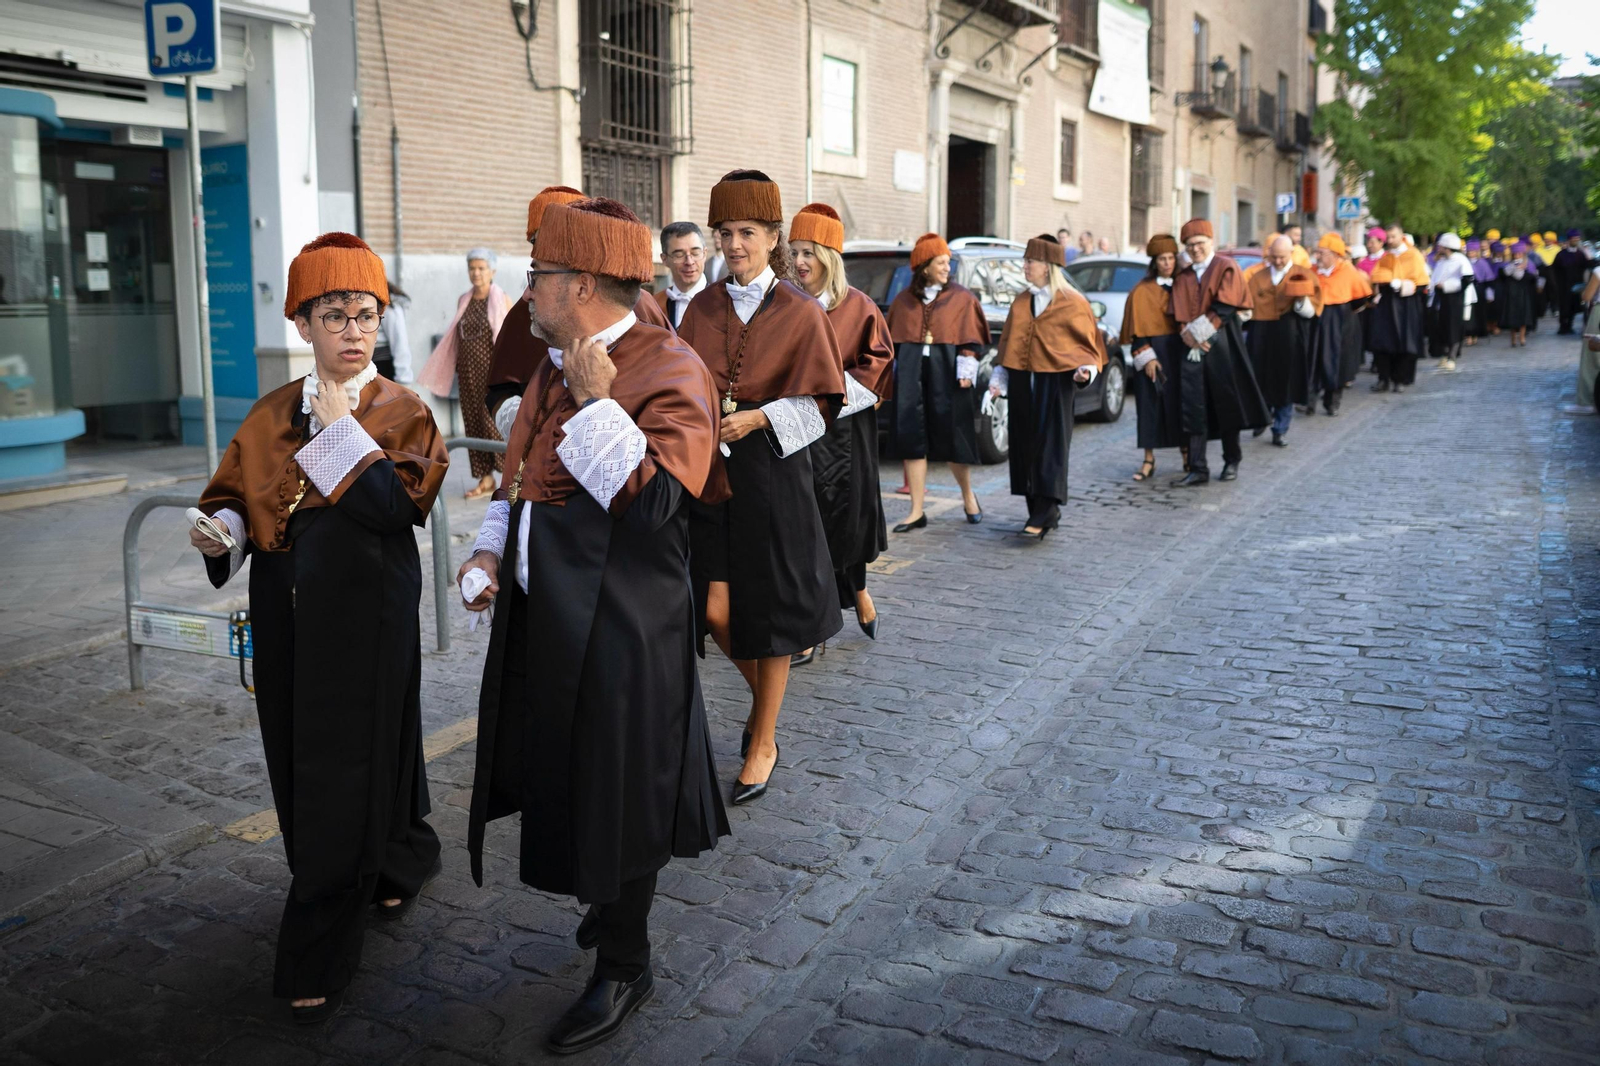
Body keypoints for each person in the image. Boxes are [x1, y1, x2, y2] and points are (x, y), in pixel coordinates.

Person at [459, 198, 727, 1054]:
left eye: (536, 276)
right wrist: (493, 553)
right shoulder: (549, 364)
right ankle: (603, 903)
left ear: (578, 285)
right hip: (551, 615)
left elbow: (653, 513)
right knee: (571, 777)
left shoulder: (671, 366)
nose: (524, 291)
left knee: (623, 788)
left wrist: (601, 405)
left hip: (623, 624)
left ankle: (625, 963)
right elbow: (519, 479)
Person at [193, 232, 448, 1024]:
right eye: (334, 315)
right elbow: (234, 498)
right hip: (283, 614)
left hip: (366, 611)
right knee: (316, 753)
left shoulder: (404, 411)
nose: (353, 330)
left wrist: (341, 430)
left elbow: (390, 510)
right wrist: (221, 531)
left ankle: (320, 938)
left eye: (366, 315)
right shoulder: (269, 412)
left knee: (344, 768)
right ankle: (404, 854)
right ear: (301, 324)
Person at [676, 170, 846, 805]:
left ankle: (764, 739)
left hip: (773, 476)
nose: (734, 244)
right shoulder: (701, 306)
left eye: (747, 232)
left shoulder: (802, 312)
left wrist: (759, 415)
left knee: (770, 616)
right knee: (715, 609)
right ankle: (762, 708)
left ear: (773, 236)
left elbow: (822, 402)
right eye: (725, 232)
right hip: (714, 476)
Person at [484, 186, 672, 445]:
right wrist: (532, 430)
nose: (544, 250)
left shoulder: (650, 319)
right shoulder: (527, 308)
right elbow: (501, 390)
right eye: (537, 241)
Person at [788, 203, 892, 661]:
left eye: (809, 252)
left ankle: (851, 596)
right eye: (794, 253)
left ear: (829, 256)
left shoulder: (859, 307)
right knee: (804, 528)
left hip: (845, 436)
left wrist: (829, 399)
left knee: (844, 524)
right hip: (795, 432)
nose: (800, 262)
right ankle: (822, 616)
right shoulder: (786, 304)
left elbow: (878, 363)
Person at [986, 234, 1105, 539]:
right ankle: (1040, 510)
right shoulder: (1023, 300)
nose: (1025, 266)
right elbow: (1010, 342)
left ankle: (1044, 512)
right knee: (1025, 444)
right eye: (1025, 261)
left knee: (1051, 446)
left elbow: (1089, 348)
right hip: (1025, 380)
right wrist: (1000, 378)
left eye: (1031, 261)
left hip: (1057, 381)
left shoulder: (1072, 302)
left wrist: (1085, 372)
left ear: (1048, 265)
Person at [884, 233, 990, 529]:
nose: (947, 268)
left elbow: (971, 337)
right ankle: (917, 510)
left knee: (953, 435)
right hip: (912, 369)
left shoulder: (961, 298)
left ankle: (968, 495)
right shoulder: (904, 300)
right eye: (941, 262)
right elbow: (892, 343)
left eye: (948, 262)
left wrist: (968, 364)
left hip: (949, 369)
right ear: (924, 265)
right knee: (911, 436)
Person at [1170, 219, 1269, 486]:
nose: (1195, 249)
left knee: (1226, 403)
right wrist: (1186, 334)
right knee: (1193, 406)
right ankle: (1198, 467)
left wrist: (1198, 333)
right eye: (1190, 245)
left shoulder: (1227, 267)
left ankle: (1231, 460)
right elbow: (1176, 311)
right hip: (1191, 349)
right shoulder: (1186, 275)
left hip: (1223, 345)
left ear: (1211, 242)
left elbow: (1226, 307)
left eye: (1199, 244)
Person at [417, 248, 513, 498]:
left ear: (492, 271)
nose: (476, 273)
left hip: (492, 373)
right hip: (468, 372)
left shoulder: (501, 298)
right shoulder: (464, 299)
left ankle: (512, 477)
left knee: (495, 423)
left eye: (481, 268)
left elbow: (507, 336)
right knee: (473, 423)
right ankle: (486, 479)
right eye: (472, 268)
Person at [1245, 234, 1321, 446]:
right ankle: (1261, 417)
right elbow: (1247, 306)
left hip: (1290, 333)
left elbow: (1312, 311)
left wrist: (1300, 301)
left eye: (1282, 258)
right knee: (1260, 377)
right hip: (1261, 333)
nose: (1277, 262)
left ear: (1291, 254)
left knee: (1286, 380)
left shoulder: (1303, 275)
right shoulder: (1257, 277)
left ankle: (1280, 428)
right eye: (1274, 257)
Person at [1120, 234, 1185, 481]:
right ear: (1154, 262)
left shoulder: (1184, 285)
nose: (1167, 263)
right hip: (1152, 354)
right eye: (1162, 259)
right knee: (1149, 407)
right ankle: (1148, 459)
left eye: (1170, 258)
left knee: (1182, 405)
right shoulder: (1141, 291)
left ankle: (1187, 454)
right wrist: (1146, 357)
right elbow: (1135, 330)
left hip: (1179, 353)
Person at [1307, 232, 1373, 414]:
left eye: (1322, 253)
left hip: (1341, 322)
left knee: (1338, 362)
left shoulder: (1348, 271)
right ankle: (1309, 400)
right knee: (1312, 358)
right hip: (1316, 320)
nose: (1317, 256)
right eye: (1317, 252)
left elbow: (1361, 298)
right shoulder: (1311, 271)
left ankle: (1332, 401)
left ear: (1336, 255)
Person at [1367, 223, 1430, 393]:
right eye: (1388, 237)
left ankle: (1399, 379)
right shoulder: (1386, 257)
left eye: (1393, 236)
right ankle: (1383, 378)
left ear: (1401, 236)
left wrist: (1401, 283)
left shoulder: (1413, 255)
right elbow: (1377, 275)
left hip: (1406, 304)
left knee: (1404, 342)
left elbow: (1420, 282)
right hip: (1387, 303)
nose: (1390, 240)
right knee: (1382, 341)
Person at [1427, 233, 1475, 372]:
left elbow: (1467, 279)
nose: (1438, 247)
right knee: (1442, 328)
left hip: (1454, 299)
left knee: (1453, 328)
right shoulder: (1442, 261)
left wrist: (1448, 285)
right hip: (1441, 299)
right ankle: (1445, 355)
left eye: (1441, 245)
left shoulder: (1460, 260)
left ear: (1447, 247)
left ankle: (1452, 357)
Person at [654, 221, 708, 329]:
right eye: (679, 255)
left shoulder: (724, 301)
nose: (689, 262)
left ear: (705, 254)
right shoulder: (655, 305)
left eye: (695, 253)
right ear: (664, 259)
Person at [1497, 242, 1541, 347]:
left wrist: (1524, 270)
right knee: (1512, 317)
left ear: (1523, 254)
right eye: (1515, 254)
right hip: (1511, 294)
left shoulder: (1528, 264)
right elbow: (1502, 277)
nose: (1517, 256)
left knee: (1523, 316)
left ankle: (1522, 337)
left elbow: (1533, 279)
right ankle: (1513, 338)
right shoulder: (1508, 265)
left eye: (1519, 254)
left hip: (1523, 294)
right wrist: (1512, 269)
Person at [1551, 229, 1592, 335]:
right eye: (1574, 239)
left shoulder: (1580, 254)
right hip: (1563, 285)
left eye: (1578, 239)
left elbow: (1588, 265)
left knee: (1574, 306)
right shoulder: (1561, 255)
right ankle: (1563, 326)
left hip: (1576, 285)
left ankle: (1570, 325)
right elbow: (1554, 270)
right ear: (1569, 240)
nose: (1576, 241)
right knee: (1564, 306)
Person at [371, 279, 412, 382]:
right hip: (371, 365)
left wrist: (403, 381)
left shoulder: (390, 307)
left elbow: (400, 343)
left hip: (383, 365)